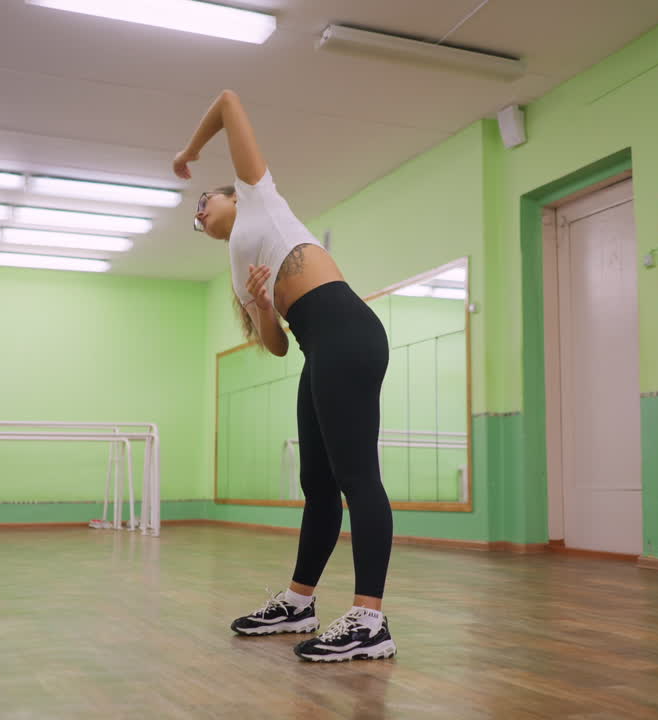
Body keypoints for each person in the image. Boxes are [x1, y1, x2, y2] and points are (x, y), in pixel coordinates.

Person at [175, 90, 396, 662]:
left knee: (356, 478)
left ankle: (371, 620)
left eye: (203, 201)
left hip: (347, 331)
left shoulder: (258, 199)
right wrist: (262, 307)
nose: (197, 213)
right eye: (194, 218)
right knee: (318, 487)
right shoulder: (235, 265)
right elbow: (274, 347)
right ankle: (299, 602)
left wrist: (189, 150)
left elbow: (227, 102)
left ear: (231, 193)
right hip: (315, 347)